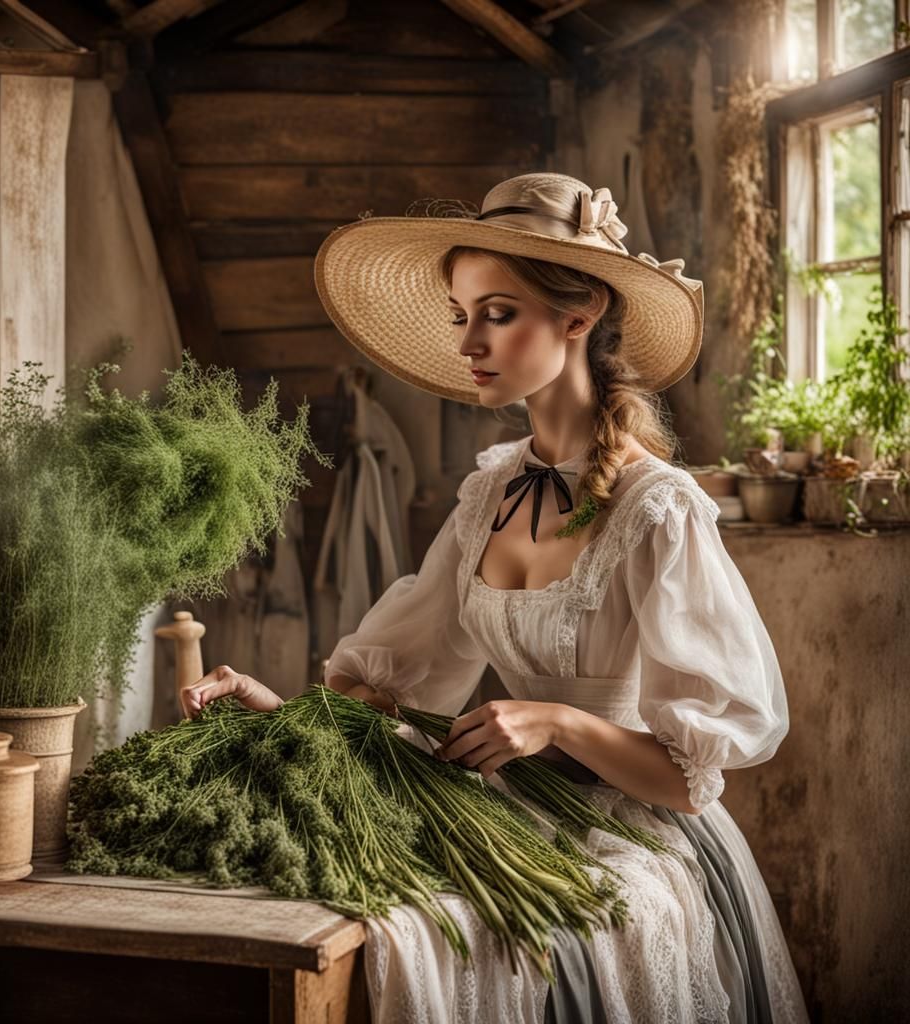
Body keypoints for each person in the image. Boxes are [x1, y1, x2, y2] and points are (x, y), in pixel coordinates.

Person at [181, 173, 810, 1023]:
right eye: (461, 314)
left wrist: (556, 722)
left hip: (626, 836)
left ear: (578, 315)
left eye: (498, 313)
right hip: (509, 812)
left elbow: (690, 780)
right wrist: (278, 712)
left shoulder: (658, 509)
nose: (468, 341)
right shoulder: (489, 497)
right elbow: (391, 691)